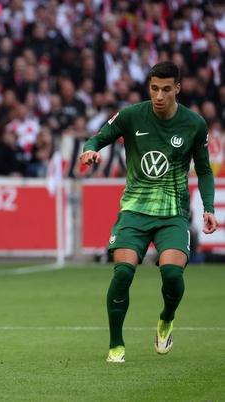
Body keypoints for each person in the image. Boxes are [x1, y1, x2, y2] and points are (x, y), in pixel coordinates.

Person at [79, 61, 218, 363]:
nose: (159, 96)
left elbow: (205, 171)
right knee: (123, 272)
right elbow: (98, 137)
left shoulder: (194, 124)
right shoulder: (131, 115)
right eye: (154, 88)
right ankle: (116, 345)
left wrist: (208, 207)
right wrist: (90, 150)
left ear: (177, 88)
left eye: (166, 89)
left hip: (173, 213)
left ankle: (166, 318)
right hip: (134, 210)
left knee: (172, 275)